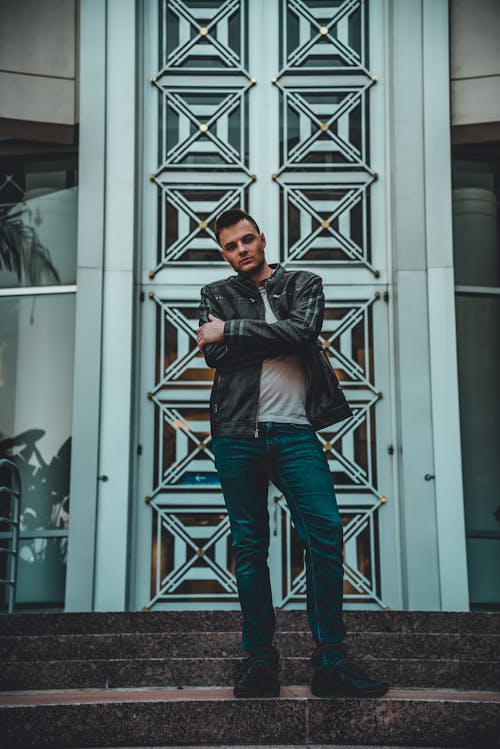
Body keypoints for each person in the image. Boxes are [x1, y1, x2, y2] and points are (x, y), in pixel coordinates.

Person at [197, 208, 388, 699]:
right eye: (230, 247)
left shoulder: (304, 282)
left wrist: (234, 331)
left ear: (262, 238)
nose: (240, 251)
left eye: (246, 240)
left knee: (325, 533)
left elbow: (303, 333)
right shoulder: (215, 294)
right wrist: (259, 336)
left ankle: (330, 662)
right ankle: (260, 662)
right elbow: (214, 355)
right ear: (224, 253)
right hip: (236, 434)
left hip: (295, 432)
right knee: (250, 547)